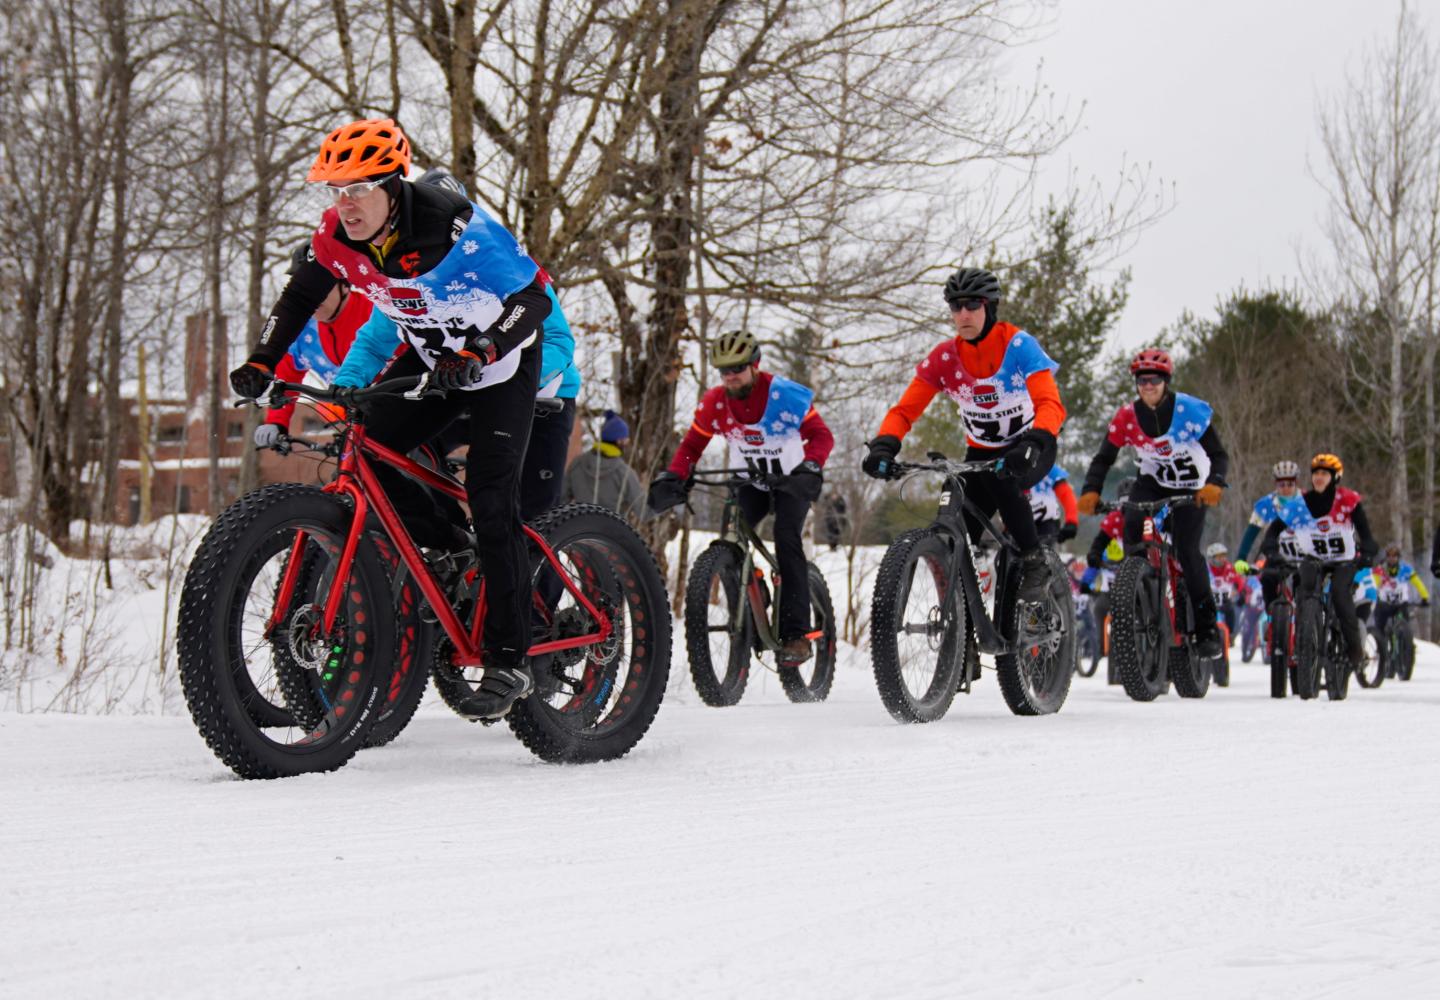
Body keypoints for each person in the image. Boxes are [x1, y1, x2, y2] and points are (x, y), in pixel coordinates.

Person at [228, 118, 551, 720]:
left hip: (500, 365)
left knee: (490, 499)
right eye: (334, 190)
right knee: (368, 448)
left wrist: (481, 350)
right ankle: (451, 549)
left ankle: (510, 657)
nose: (343, 204)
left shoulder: (454, 225)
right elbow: (300, 297)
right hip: (432, 360)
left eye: (357, 189)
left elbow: (534, 299)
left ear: (391, 183)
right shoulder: (336, 236)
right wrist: (261, 360)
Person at [338, 167, 581, 522]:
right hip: (454, 388)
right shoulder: (408, 279)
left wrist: (491, 380)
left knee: (529, 516)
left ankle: (525, 569)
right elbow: (375, 341)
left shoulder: (499, 264)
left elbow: (558, 340)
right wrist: (347, 387)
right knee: (401, 456)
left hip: (540, 399)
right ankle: (449, 546)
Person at [862, 267, 1065, 599]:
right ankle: (962, 628)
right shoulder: (944, 358)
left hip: (1031, 446)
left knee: (1004, 480)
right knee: (956, 519)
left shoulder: (1018, 345)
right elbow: (904, 411)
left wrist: (1035, 439)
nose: (964, 314)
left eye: (973, 304)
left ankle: (1033, 561)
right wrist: (884, 446)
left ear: (990, 307)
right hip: (981, 452)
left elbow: (1050, 403)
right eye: (956, 306)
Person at [648, 329, 835, 665]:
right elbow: (692, 445)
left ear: (755, 365)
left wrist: (811, 465)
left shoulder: (784, 396)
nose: (731, 377)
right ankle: (750, 598)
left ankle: (795, 634)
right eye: (725, 371)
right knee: (730, 539)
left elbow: (821, 435)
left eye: (738, 368)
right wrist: (675, 475)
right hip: (748, 481)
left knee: (786, 537)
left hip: (790, 481)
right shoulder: (715, 402)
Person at [1076, 348, 1229, 657]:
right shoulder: (1127, 417)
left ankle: (1205, 626)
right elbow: (1104, 457)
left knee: (1187, 550)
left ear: (1166, 381)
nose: (1148, 386)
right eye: (1142, 380)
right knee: (1132, 525)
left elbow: (1219, 454)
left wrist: (1215, 483)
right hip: (1153, 483)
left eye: (1155, 380)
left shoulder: (1188, 410)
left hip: (1191, 486)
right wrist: (1091, 489)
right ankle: (1139, 589)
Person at [1259, 453, 1378, 670]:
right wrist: (1271, 550)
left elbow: (1366, 534)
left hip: (1343, 561)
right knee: (1304, 593)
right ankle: (1305, 640)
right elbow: (1273, 530)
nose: (1319, 477)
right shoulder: (1300, 504)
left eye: (1324, 473)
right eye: (1316, 473)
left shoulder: (1347, 501)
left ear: (1335, 477)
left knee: (1341, 596)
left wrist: (1368, 552)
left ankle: (1354, 649)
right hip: (1313, 559)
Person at [253, 244, 375, 448]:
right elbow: (286, 374)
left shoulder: (373, 314)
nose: (312, 298)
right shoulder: (303, 332)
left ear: (344, 284)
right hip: (355, 421)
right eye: (305, 290)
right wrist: (276, 421)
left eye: (321, 288)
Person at [1233, 460, 1303, 617]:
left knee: (1306, 585)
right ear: (1275, 484)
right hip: (1276, 554)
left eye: (1290, 484)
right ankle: (1273, 619)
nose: (1285, 489)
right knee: (1267, 580)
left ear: (1296, 483)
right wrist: (1241, 558)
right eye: (1281, 484)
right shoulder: (1265, 505)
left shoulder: (1308, 501)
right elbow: (1251, 532)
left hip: (1303, 553)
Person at [563, 409, 645, 519]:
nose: (627, 443)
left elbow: (561, 500)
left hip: (580, 532)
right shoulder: (623, 472)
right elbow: (643, 512)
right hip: (612, 533)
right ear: (619, 441)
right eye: (626, 440)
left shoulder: (577, 464)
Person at [1370, 542, 1431, 640]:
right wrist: (1371, 598)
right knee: (1379, 627)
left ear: (1398, 557)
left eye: (1394, 556)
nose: (1392, 559)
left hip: (1401, 604)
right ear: (1386, 557)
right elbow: (1373, 585)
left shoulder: (1406, 569)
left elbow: (1418, 583)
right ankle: (1380, 649)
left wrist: (1425, 597)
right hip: (1384, 604)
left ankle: (1407, 646)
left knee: (1405, 627)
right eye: (1389, 556)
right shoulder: (1379, 570)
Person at [1026, 464, 1079, 543]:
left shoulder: (1045, 463)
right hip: (1019, 523)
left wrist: (1071, 522)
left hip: (1046, 522)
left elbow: (1066, 493)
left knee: (1039, 552)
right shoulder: (1007, 462)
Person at [1206, 542, 1244, 642]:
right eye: (1219, 557)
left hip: (1225, 601)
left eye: (1224, 556)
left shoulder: (1230, 569)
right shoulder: (1206, 570)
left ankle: (1230, 635)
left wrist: (1237, 592)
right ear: (1212, 558)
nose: (1222, 559)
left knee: (1231, 611)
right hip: (1209, 601)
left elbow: (1239, 583)